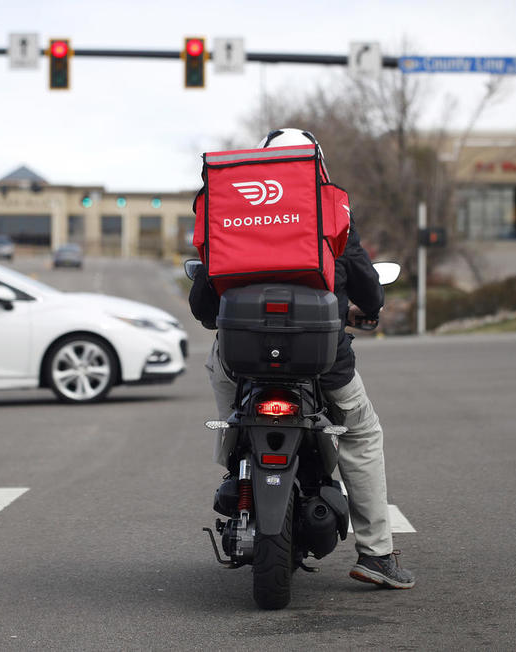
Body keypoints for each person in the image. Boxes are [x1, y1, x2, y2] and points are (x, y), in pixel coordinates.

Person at [189, 128, 415, 589]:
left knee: (232, 413)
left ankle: (235, 455)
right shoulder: (324, 205)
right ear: (316, 163)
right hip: (321, 355)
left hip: (240, 356)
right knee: (362, 435)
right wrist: (366, 309)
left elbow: (203, 308)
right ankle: (377, 554)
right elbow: (368, 286)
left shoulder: (231, 206)